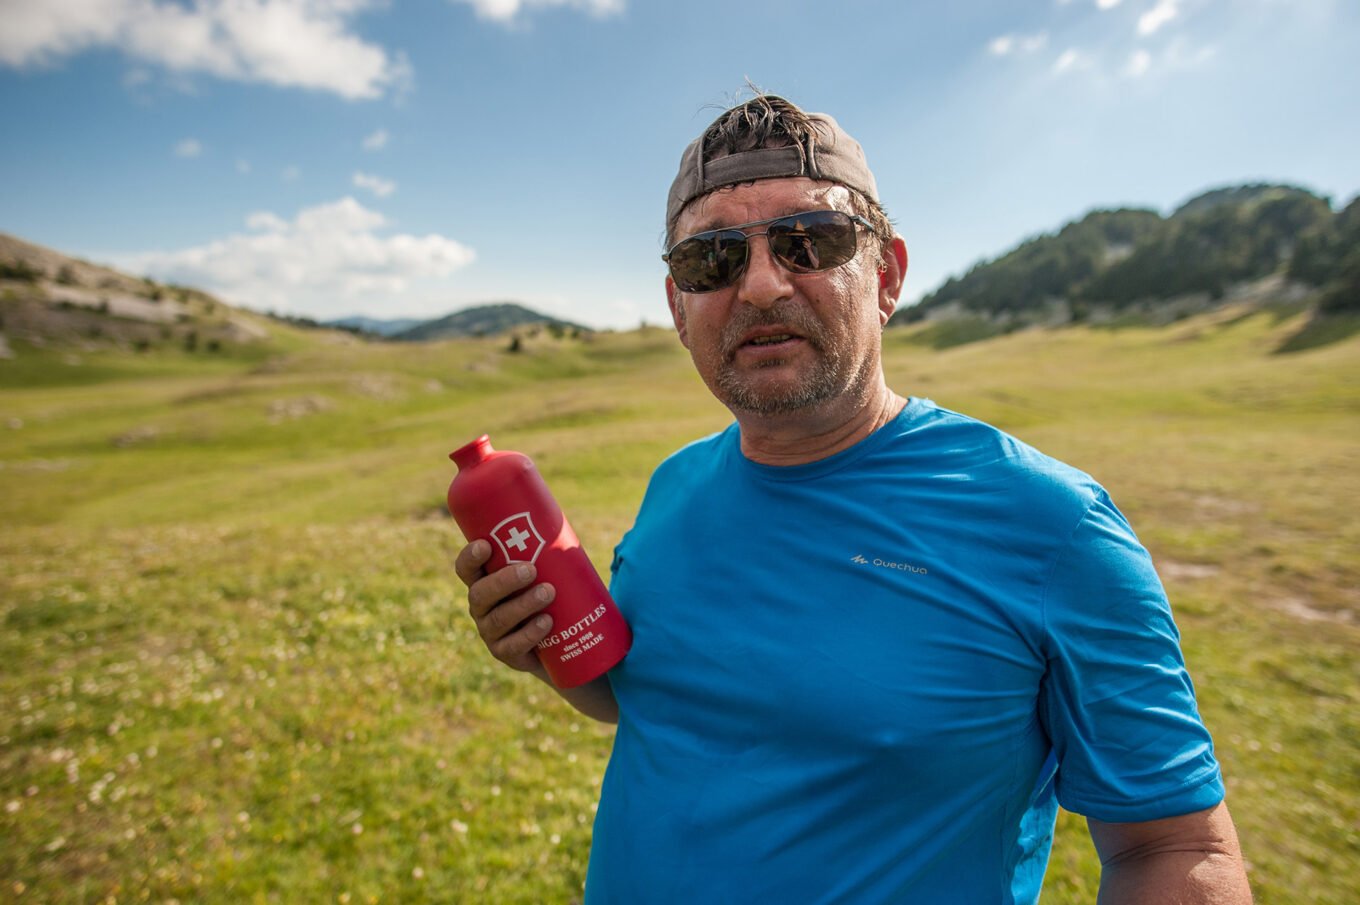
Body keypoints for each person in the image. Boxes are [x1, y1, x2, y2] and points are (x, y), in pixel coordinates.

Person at [454, 93, 1252, 903]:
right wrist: (548, 652)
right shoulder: (674, 486)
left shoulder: (1053, 527)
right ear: (676, 306)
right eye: (712, 259)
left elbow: (1173, 845)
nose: (761, 285)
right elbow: (646, 702)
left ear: (887, 275)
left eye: (810, 241)